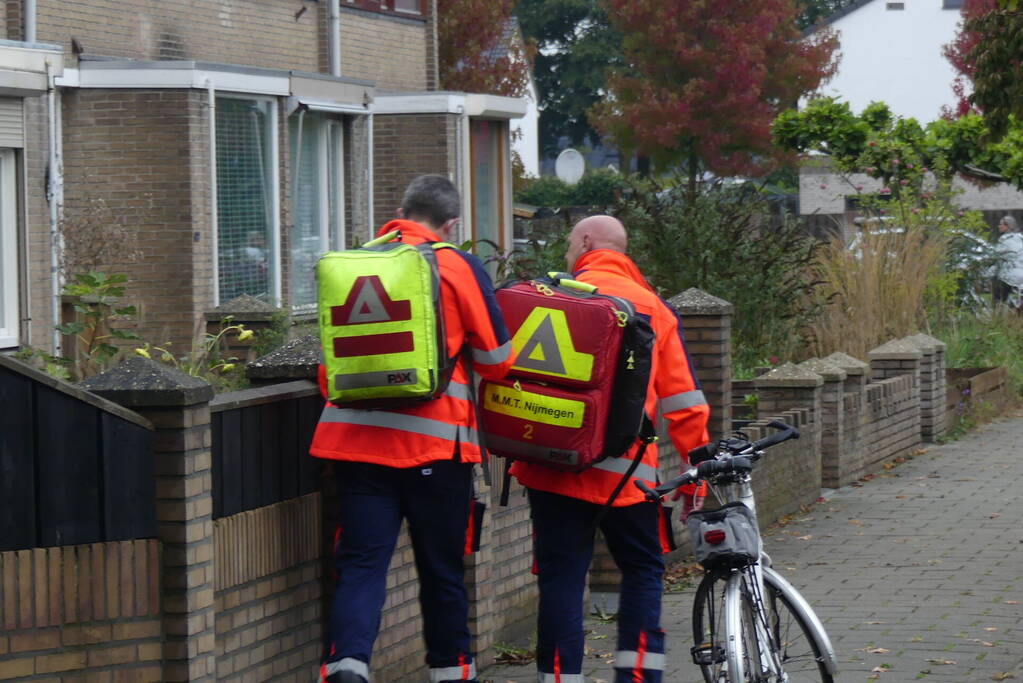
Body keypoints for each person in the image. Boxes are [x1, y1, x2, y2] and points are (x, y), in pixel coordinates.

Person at [311, 174, 514, 683]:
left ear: (400, 213)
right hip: (436, 449)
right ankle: (450, 671)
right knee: (441, 570)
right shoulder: (456, 265)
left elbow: (330, 366)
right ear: (451, 224)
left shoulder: (355, 263)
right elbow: (496, 361)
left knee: (361, 564)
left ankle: (348, 664)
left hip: (356, 446)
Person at [510, 215, 711, 683]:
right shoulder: (652, 307)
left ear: (585, 242)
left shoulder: (549, 296)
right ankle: (637, 675)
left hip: (553, 467)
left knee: (561, 577)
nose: (567, 253)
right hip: (628, 477)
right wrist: (695, 475)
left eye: (569, 244)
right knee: (641, 570)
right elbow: (683, 403)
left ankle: (559, 677)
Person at [993, 215, 1023, 307]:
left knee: (999, 297)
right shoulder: (1020, 237)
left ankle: (998, 308)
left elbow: (996, 254)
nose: (998, 226)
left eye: (1001, 224)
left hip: (1008, 274)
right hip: (1020, 272)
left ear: (1008, 226)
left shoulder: (1005, 239)